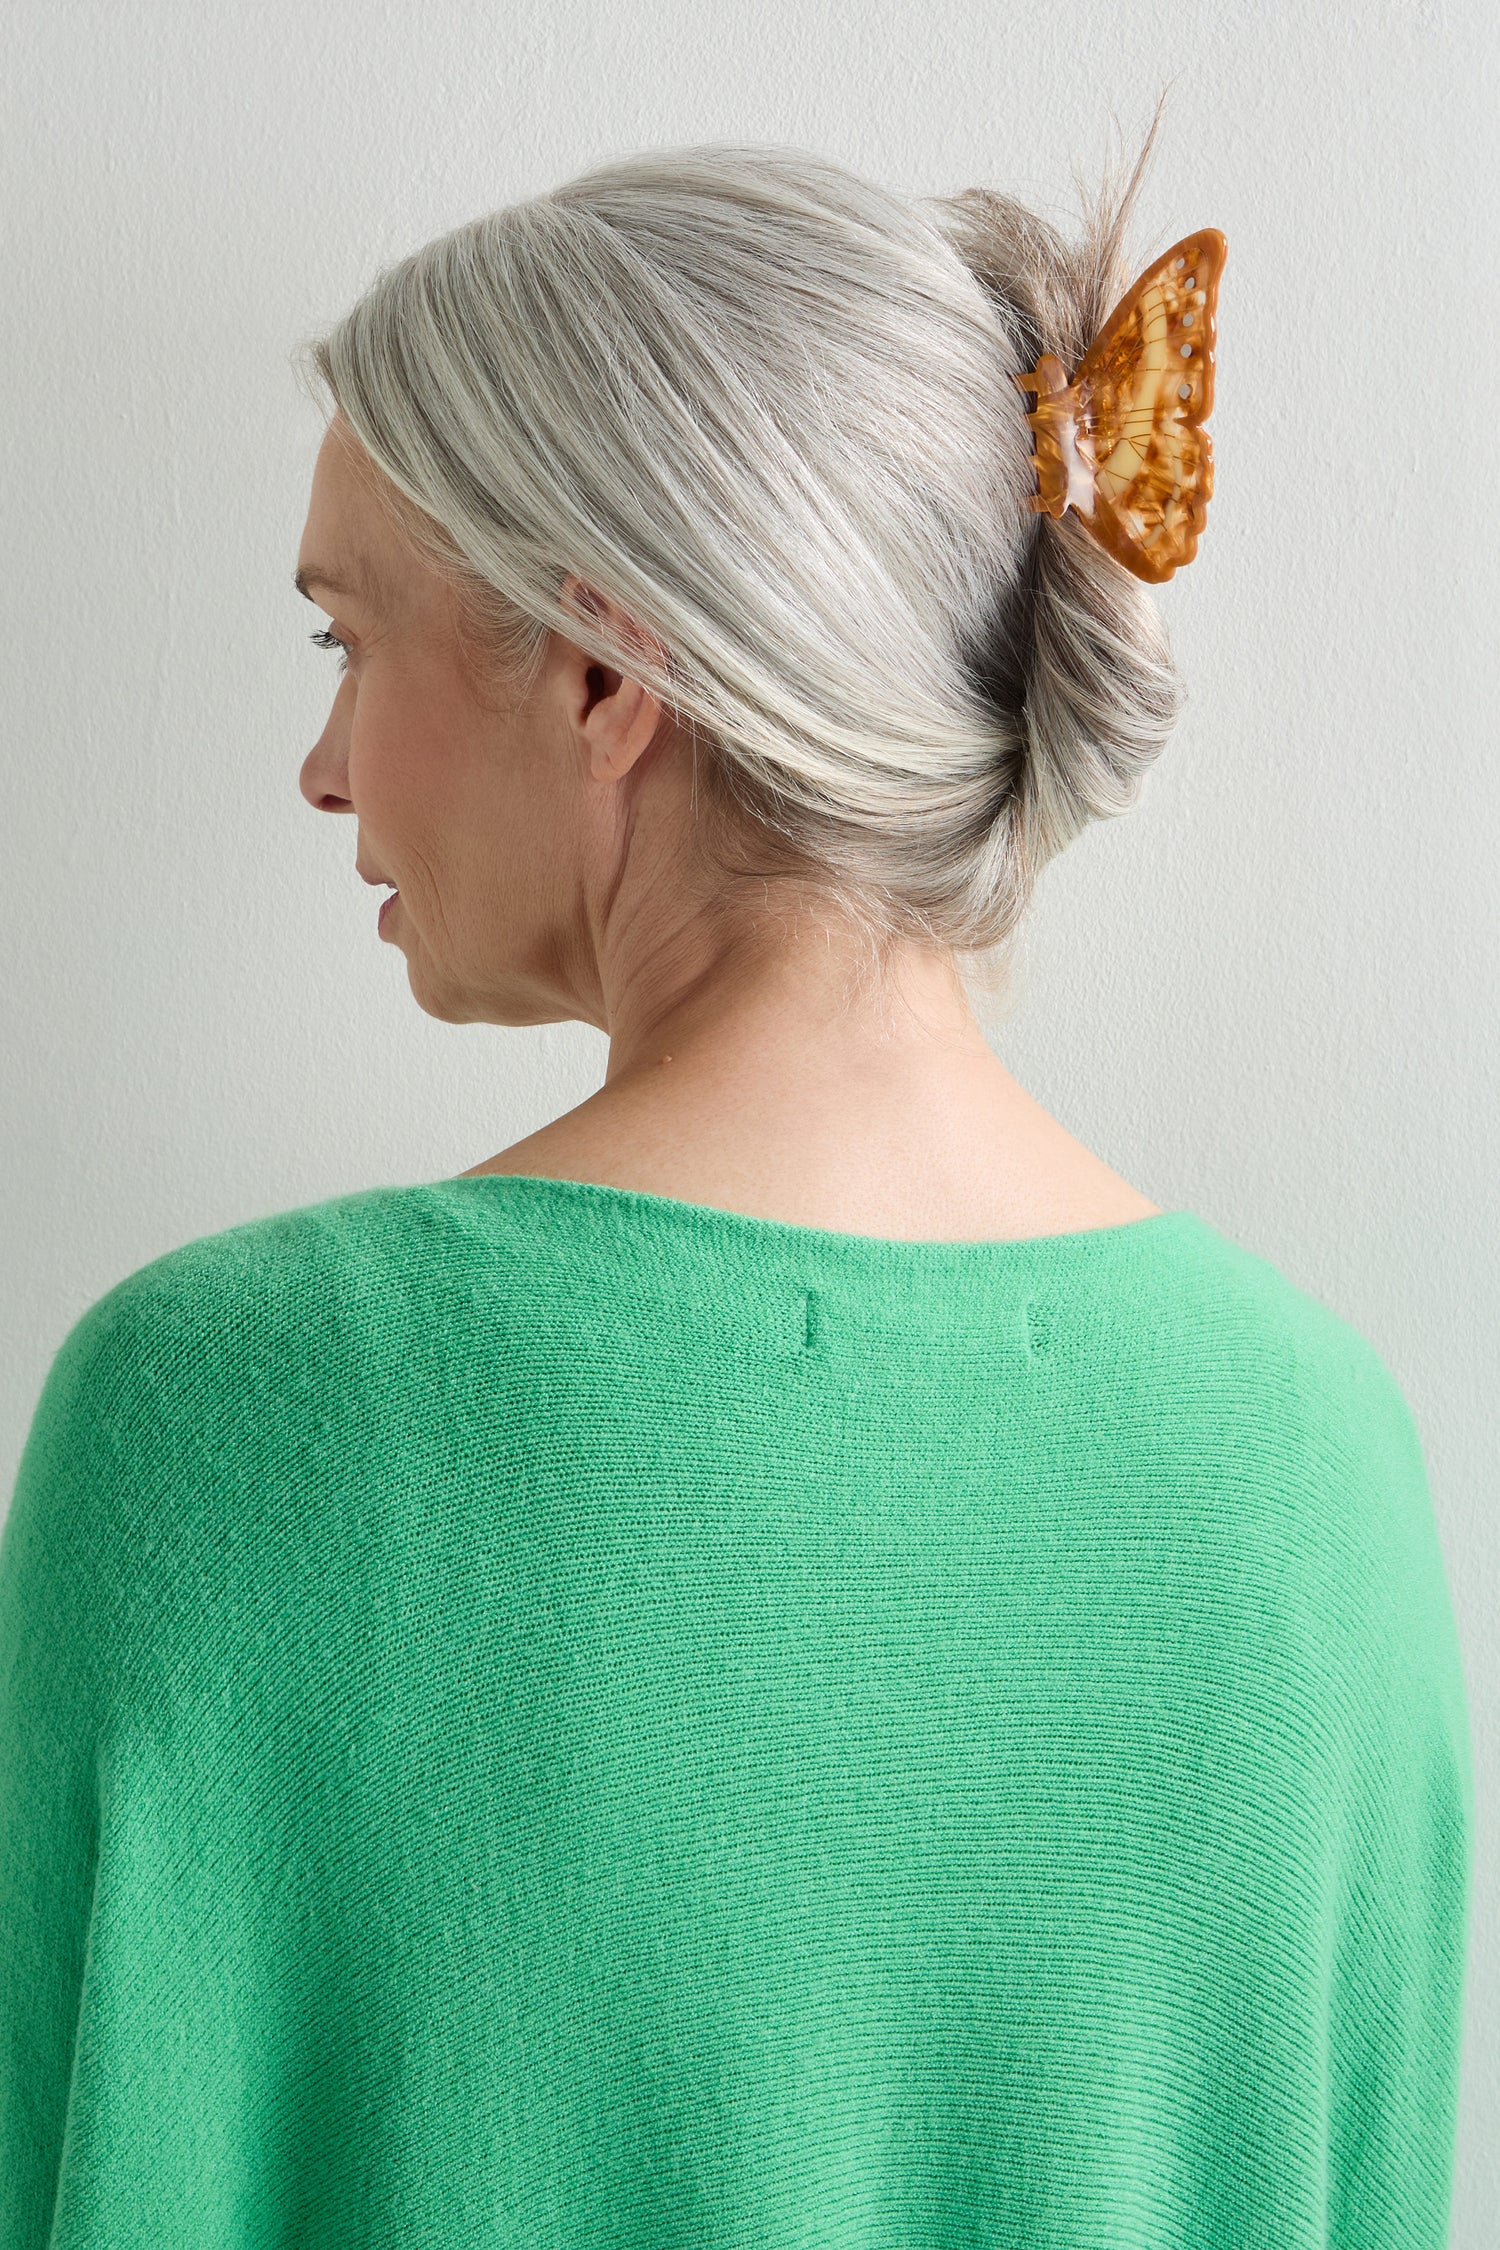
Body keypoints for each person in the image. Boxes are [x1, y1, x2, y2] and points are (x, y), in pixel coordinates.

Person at [0, 132, 1472, 2250]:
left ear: (607, 673)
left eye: (346, 639)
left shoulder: (218, 1414)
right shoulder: (1322, 1460)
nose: (323, 768)